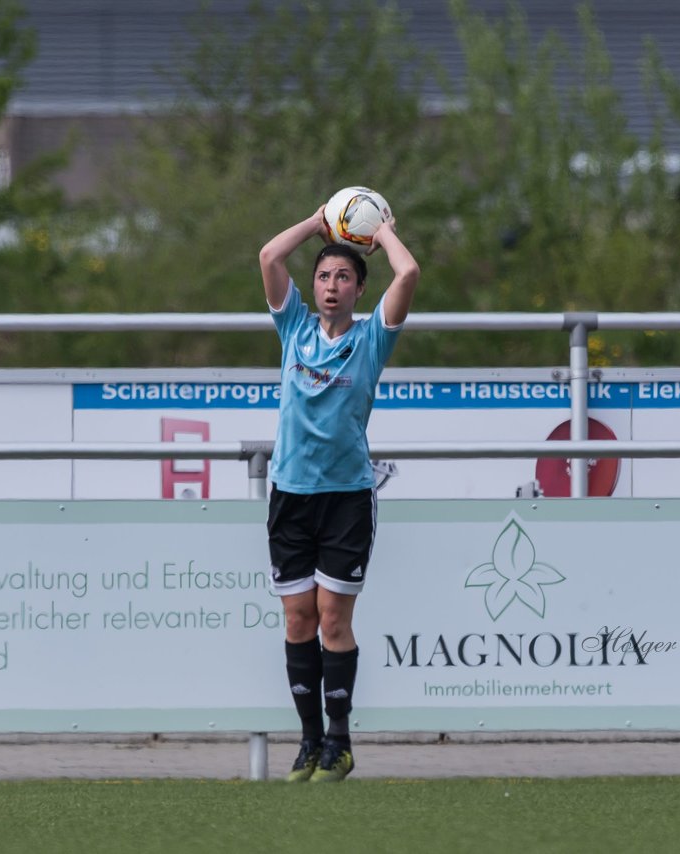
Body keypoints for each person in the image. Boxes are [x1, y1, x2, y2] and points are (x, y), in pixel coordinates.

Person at [258, 204, 420, 782]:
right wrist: (320, 220)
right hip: (291, 495)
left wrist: (381, 233)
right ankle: (306, 743)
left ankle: (340, 742)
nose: (331, 286)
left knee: (332, 621)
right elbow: (270, 256)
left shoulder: (371, 340)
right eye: (324, 276)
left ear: (358, 289)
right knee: (298, 619)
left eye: (343, 277)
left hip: (346, 496)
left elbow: (408, 275)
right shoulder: (294, 328)